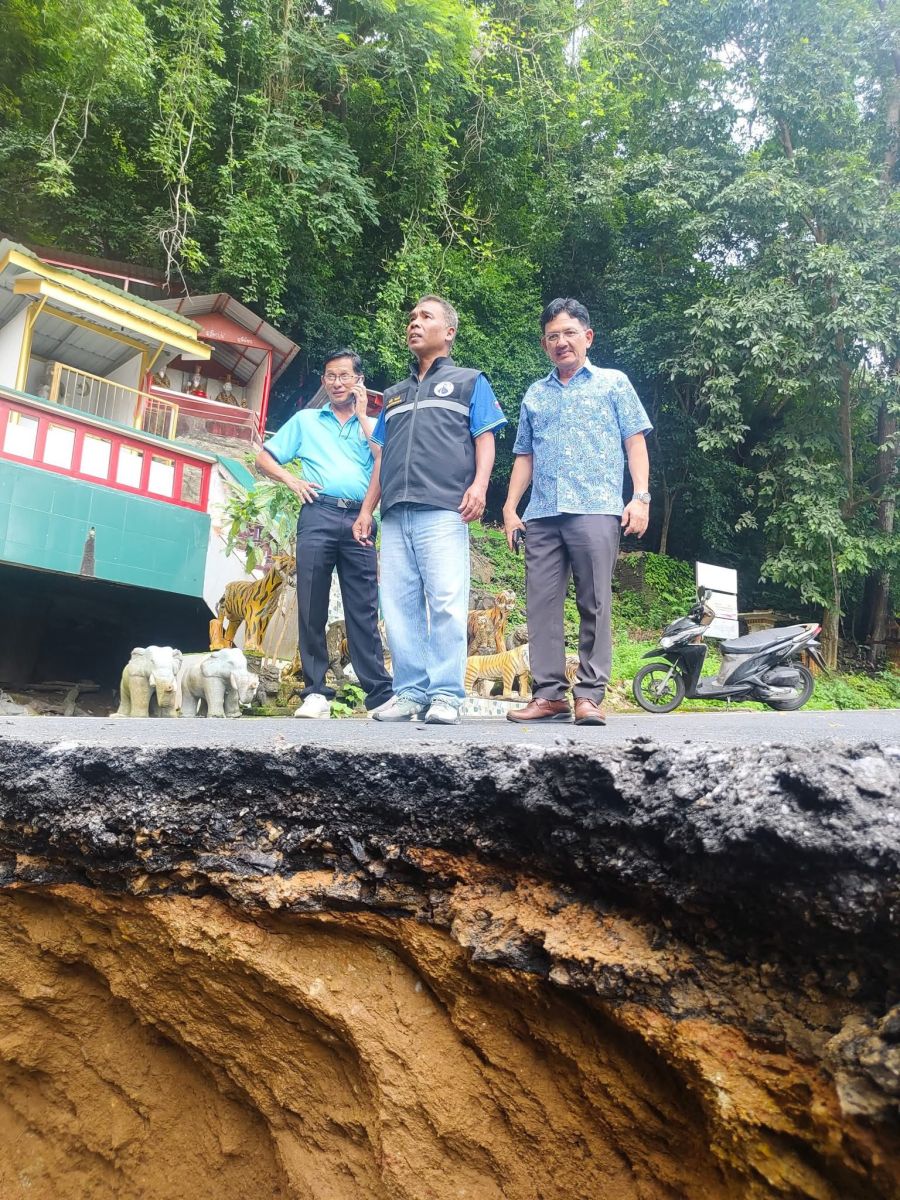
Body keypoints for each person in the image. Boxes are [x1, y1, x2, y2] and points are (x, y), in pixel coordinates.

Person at [352, 295, 507, 724]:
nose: (414, 323)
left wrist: (479, 486)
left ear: (449, 332)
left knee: (446, 602)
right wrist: (367, 511)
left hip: (443, 508)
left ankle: (445, 695)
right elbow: (382, 456)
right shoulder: (394, 395)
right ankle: (410, 692)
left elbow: (485, 438)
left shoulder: (470, 381)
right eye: (412, 318)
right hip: (395, 513)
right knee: (398, 606)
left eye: (426, 317)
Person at [502, 298, 652, 726]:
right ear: (544, 344)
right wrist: (510, 508)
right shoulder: (535, 393)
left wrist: (640, 497)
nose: (561, 342)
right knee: (541, 606)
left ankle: (589, 695)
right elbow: (525, 456)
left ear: (588, 337)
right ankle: (549, 695)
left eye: (569, 333)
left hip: (596, 508)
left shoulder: (614, 384)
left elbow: (635, 442)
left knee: (595, 602)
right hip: (542, 513)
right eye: (552, 336)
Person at [255, 349, 393, 718]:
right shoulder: (307, 420)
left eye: (345, 375)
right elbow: (264, 457)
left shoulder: (373, 424)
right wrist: (291, 480)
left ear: (359, 381)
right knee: (311, 602)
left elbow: (384, 460)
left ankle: (379, 694)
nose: (337, 382)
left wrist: (362, 415)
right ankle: (315, 691)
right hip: (318, 512)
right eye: (331, 376)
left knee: (363, 606)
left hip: (360, 517)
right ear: (323, 380)